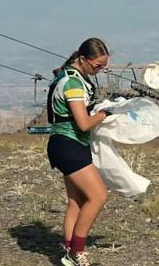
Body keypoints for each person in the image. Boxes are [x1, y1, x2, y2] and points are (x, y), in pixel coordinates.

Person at [47, 38, 111, 266]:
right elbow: (83, 123)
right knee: (99, 196)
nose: (99, 71)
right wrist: (104, 114)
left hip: (64, 145)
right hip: (69, 145)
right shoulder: (73, 84)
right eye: (97, 66)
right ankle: (77, 251)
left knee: (76, 201)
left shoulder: (68, 76)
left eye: (103, 67)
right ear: (83, 60)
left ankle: (67, 248)